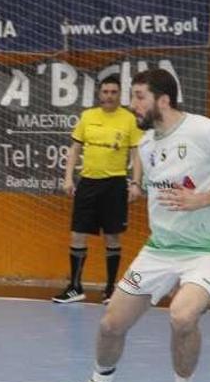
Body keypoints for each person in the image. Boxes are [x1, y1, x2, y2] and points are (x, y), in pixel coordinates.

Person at [55, 68, 210, 382]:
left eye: (138, 96)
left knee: (182, 317)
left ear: (162, 100)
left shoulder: (205, 131)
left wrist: (203, 200)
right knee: (111, 324)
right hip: (159, 249)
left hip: (209, 250)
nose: (131, 104)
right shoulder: (147, 144)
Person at [53, 74, 144, 304]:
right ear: (99, 93)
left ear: (119, 95)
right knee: (77, 234)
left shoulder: (129, 119)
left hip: (114, 185)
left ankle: (110, 289)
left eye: (114, 92)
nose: (109, 96)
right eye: (105, 92)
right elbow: (74, 149)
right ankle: (75, 287)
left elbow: (137, 153)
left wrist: (135, 183)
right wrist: (68, 178)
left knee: (112, 236)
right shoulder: (87, 116)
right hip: (87, 183)